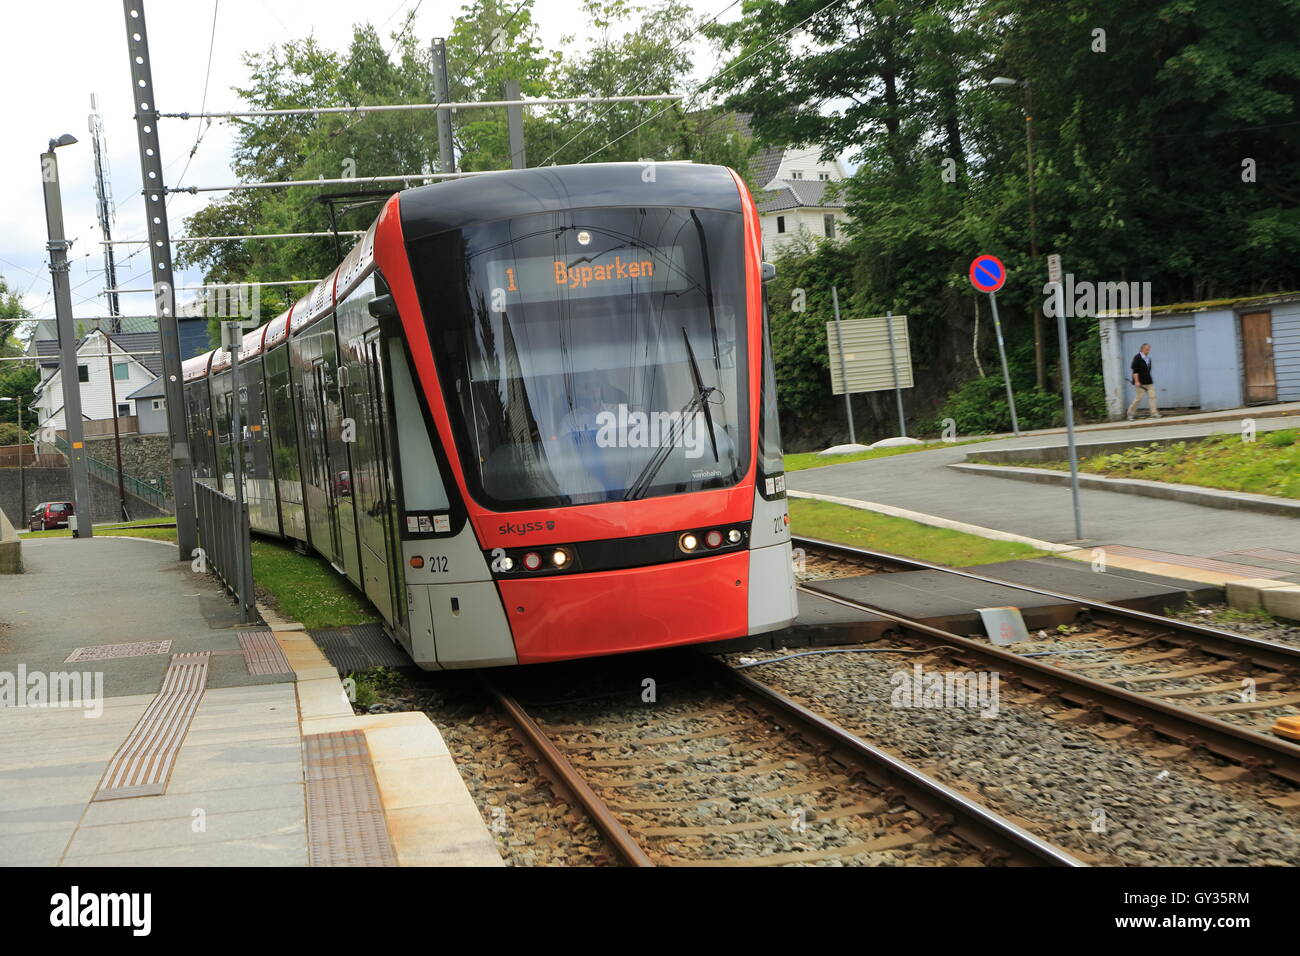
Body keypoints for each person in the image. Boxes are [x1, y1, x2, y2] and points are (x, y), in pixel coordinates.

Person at [1127, 342, 1161, 421]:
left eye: (1149, 349)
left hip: (1149, 382)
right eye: (1147, 349)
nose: (1148, 350)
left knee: (1152, 397)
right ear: (1142, 349)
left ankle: (1154, 413)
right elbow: (1135, 371)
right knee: (1138, 398)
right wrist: (1136, 381)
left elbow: (1147, 371)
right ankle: (1130, 414)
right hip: (1140, 383)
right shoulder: (1137, 357)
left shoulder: (1148, 359)